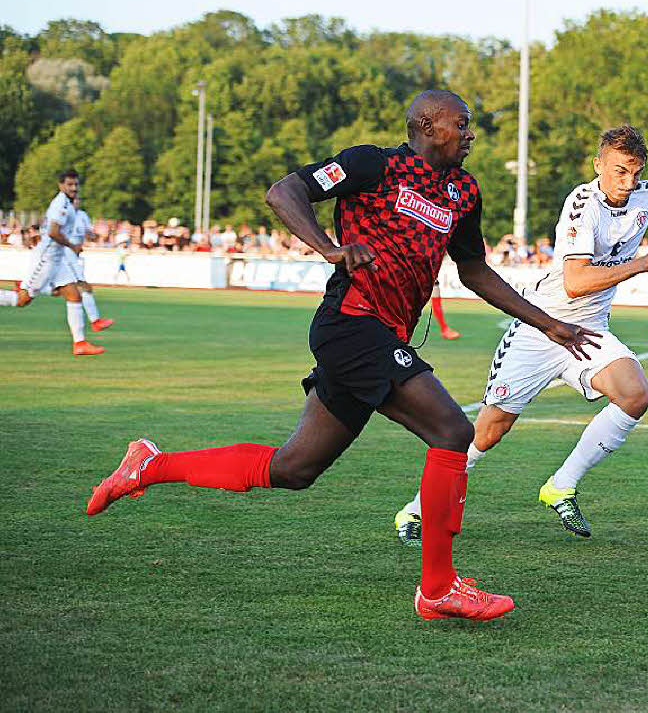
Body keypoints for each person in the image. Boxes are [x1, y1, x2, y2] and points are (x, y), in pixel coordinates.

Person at [85, 90, 598, 622]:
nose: (470, 134)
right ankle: (438, 589)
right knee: (452, 431)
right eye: (461, 124)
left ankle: (149, 466)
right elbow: (284, 192)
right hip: (350, 324)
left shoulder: (463, 191)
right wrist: (330, 247)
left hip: (382, 336)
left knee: (294, 467)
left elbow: (473, 270)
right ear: (427, 124)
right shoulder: (372, 164)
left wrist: (548, 322)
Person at [395, 125, 648, 542]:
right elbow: (575, 282)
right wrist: (643, 264)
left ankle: (561, 486)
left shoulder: (647, 191)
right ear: (598, 164)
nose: (628, 183)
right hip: (543, 326)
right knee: (488, 431)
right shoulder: (581, 205)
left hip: (587, 331)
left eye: (635, 173)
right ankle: (414, 510)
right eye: (620, 171)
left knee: (635, 393)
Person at [0, 170, 105, 355]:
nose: (74, 188)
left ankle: (79, 344)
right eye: (70, 184)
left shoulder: (68, 204)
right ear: (61, 185)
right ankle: (79, 342)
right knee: (22, 300)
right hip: (46, 259)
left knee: (74, 295)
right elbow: (53, 232)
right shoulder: (61, 204)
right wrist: (72, 246)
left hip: (57, 259)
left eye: (76, 184)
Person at [66, 195, 114, 331]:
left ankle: (25, 287)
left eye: (79, 200)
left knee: (61, 288)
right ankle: (95, 321)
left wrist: (98, 233)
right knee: (84, 287)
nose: (78, 202)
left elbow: (89, 233)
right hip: (66, 254)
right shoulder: (62, 216)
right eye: (75, 200)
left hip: (76, 255)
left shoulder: (82, 215)